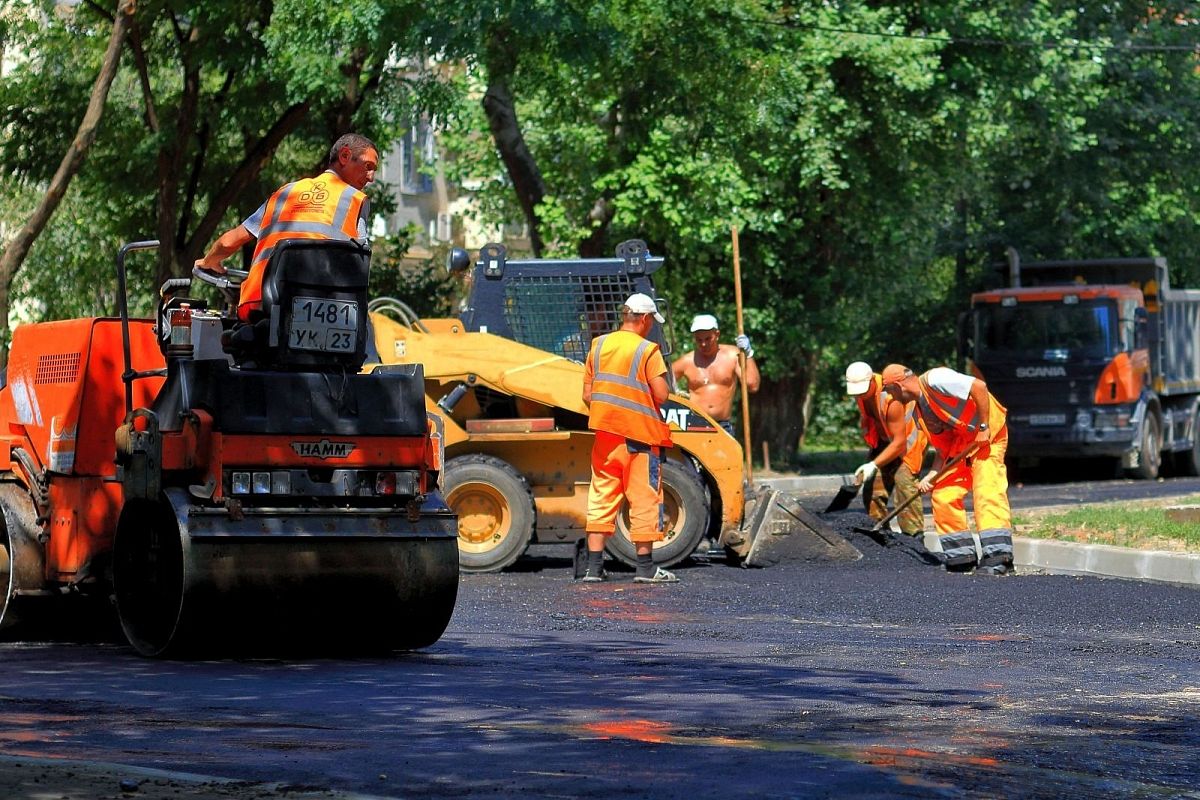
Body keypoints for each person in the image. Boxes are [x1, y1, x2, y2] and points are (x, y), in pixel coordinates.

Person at [195, 133, 379, 321]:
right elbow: (359, 267)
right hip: (322, 310)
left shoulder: (284, 194)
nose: (371, 177)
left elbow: (228, 242)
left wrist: (208, 261)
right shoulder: (355, 200)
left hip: (260, 305)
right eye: (368, 166)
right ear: (345, 156)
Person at [580, 293, 679, 584]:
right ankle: (646, 568)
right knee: (645, 499)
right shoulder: (647, 350)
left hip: (605, 437)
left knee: (601, 498)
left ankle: (594, 570)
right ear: (645, 319)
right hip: (639, 439)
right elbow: (661, 394)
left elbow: (588, 395)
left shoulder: (598, 346)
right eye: (652, 322)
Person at [880, 363, 1014, 575]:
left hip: (989, 436)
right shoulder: (920, 412)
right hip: (964, 444)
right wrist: (932, 477)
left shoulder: (935, 379)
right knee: (943, 494)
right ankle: (961, 557)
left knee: (986, 491)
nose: (891, 397)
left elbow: (978, 386)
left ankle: (999, 557)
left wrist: (983, 427)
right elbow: (944, 451)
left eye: (889, 391)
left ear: (898, 385)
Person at [844, 361, 928, 537]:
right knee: (873, 488)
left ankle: (914, 538)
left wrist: (874, 464)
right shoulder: (862, 394)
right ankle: (880, 536)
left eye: (863, 390)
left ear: (872, 381)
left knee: (904, 483)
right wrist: (873, 459)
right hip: (886, 440)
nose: (859, 395)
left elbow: (899, 443)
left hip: (906, 442)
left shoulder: (890, 396)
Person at [670, 314, 760, 437]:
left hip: (722, 427)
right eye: (699, 340)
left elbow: (752, 385)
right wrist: (676, 393)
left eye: (708, 339)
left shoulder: (733, 356)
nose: (703, 344)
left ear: (717, 334)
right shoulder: (687, 361)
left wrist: (748, 354)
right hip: (694, 426)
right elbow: (661, 379)